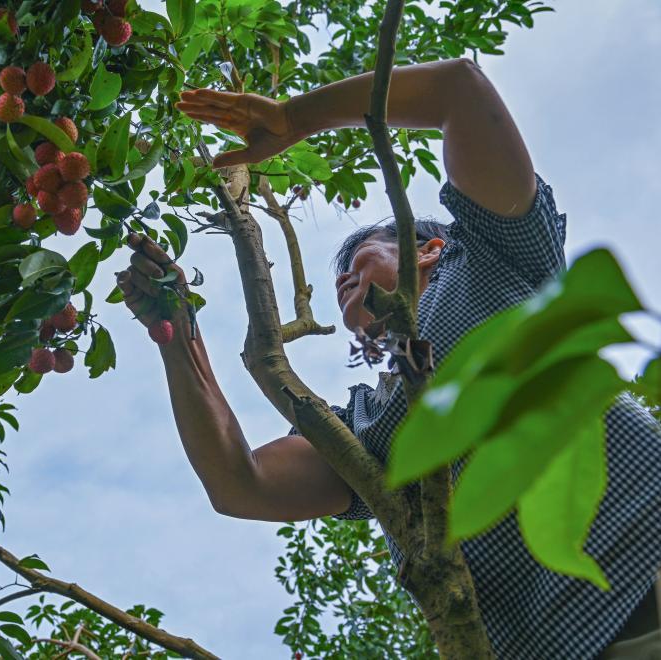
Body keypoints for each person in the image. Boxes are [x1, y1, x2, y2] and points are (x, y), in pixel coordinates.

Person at [115, 58, 661, 659]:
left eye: (358, 262)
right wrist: (178, 335)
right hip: (571, 648)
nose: (346, 282)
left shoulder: (494, 257)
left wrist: (297, 116)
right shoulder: (369, 427)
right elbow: (239, 484)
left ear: (430, 248)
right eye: (339, 282)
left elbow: (459, 89)